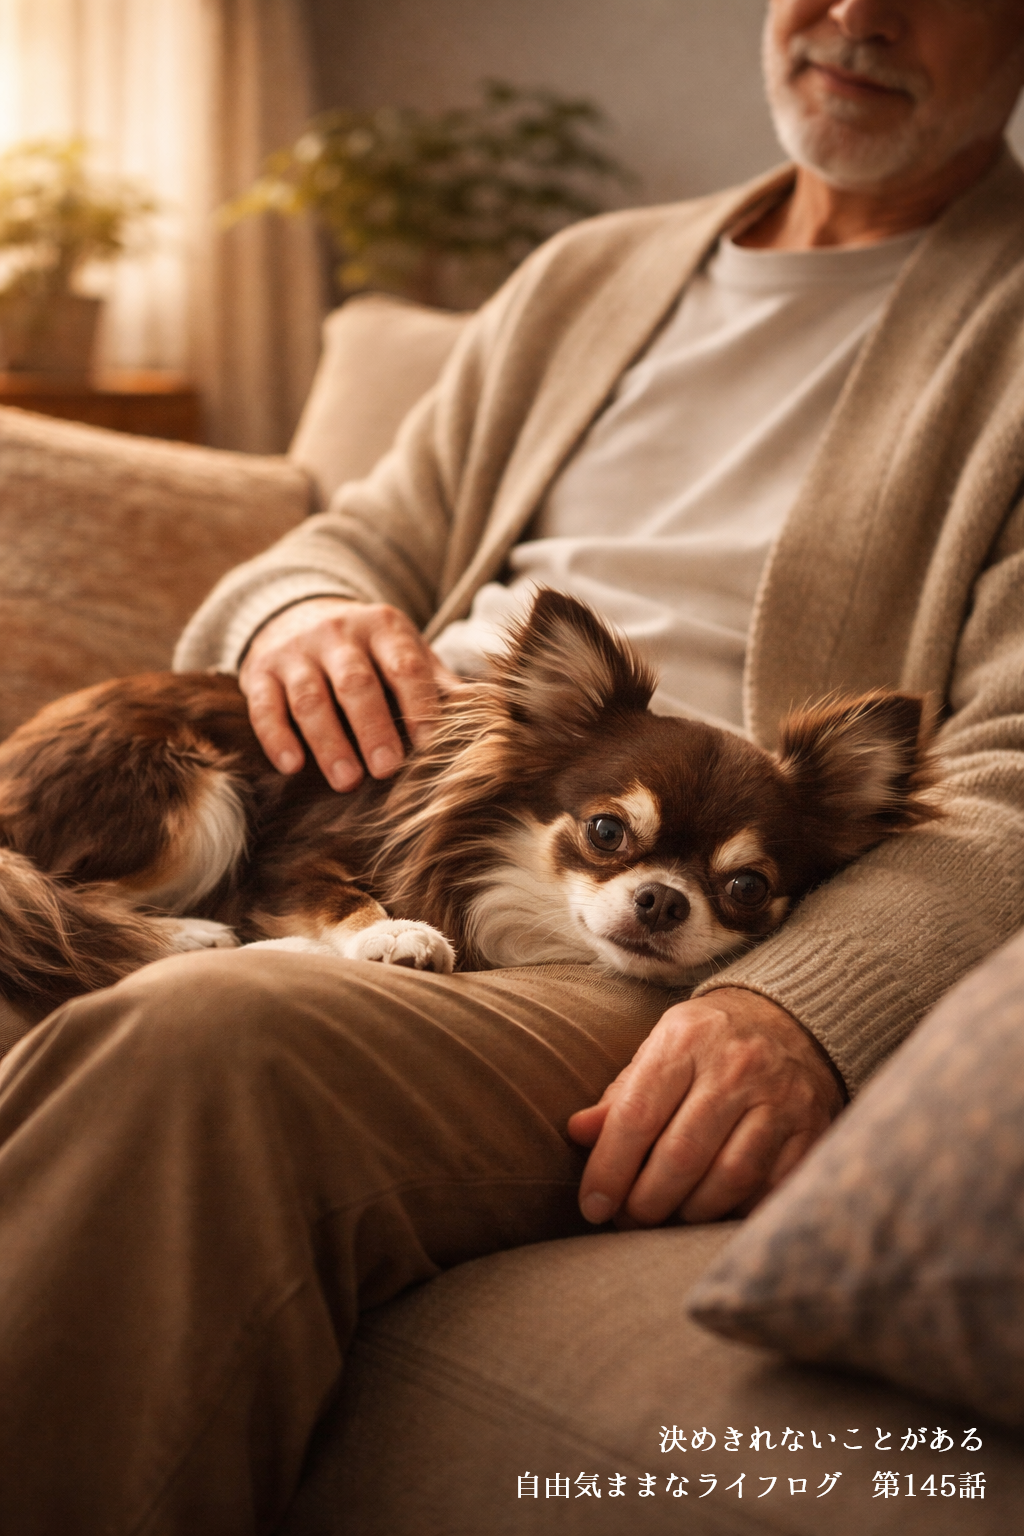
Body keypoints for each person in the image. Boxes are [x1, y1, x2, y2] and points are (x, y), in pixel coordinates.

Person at [1, 2, 1023, 1531]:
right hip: (445, 805)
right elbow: (364, 531)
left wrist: (800, 1003)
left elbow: (1011, 775)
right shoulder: (594, 270)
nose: (856, 15)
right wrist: (308, 612)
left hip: (660, 948)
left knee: (202, 1033)